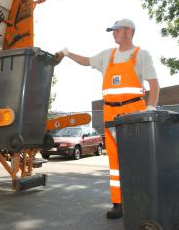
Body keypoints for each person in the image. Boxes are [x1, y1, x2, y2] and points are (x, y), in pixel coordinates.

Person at [55, 19, 160, 219]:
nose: (113, 33)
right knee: (114, 160)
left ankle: (143, 200)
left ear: (129, 31)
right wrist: (68, 54)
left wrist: (151, 109)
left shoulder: (141, 55)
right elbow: (86, 61)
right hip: (110, 113)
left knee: (138, 157)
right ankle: (118, 203)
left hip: (134, 112)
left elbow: (154, 86)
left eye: (117, 30)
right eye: (112, 31)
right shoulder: (107, 55)